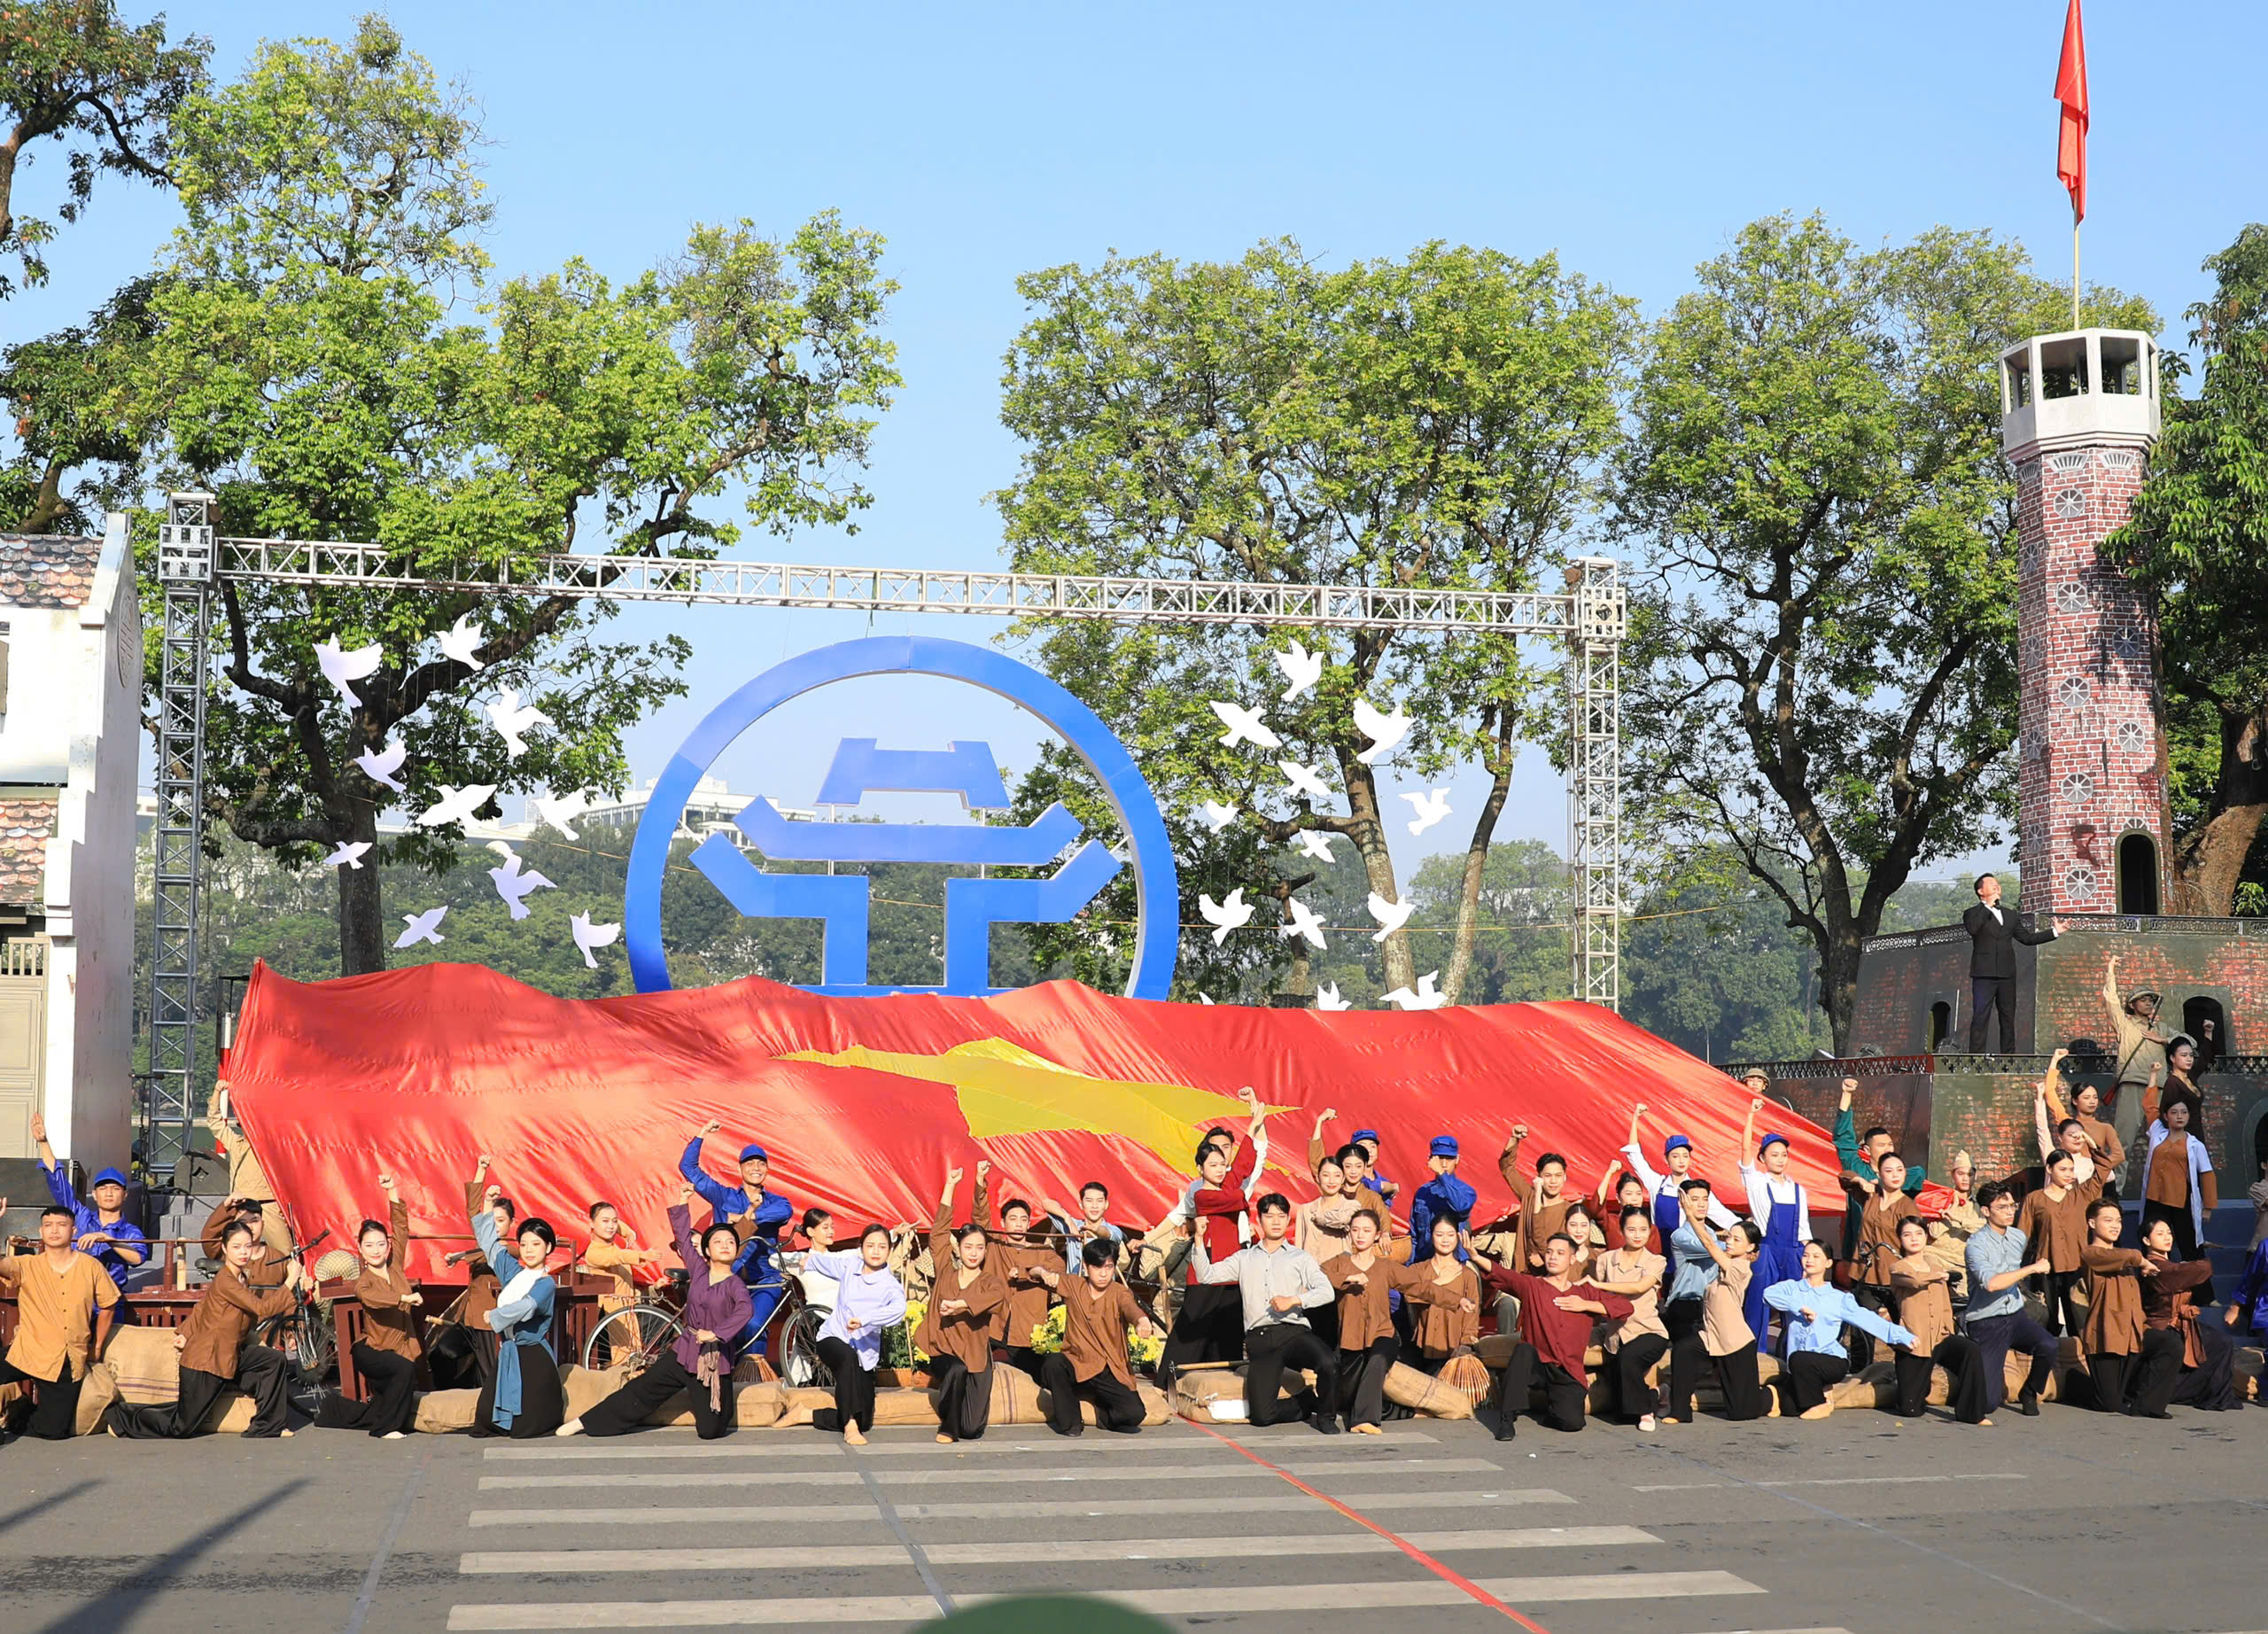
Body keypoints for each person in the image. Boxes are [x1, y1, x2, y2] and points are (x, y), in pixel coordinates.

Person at [563, 1185, 753, 1441]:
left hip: (712, 1361)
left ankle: (714, 1401)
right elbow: (684, 1238)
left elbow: (745, 1310)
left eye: (730, 1242)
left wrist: (717, 1334)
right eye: (717, 1242)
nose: (725, 1245)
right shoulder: (698, 1270)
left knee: (711, 1429)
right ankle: (586, 1421)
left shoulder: (735, 1284)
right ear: (706, 1251)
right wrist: (682, 1201)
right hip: (685, 1350)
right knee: (641, 1390)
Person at [106, 1217, 301, 1439]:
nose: (243, 1252)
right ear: (225, 1249)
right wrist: (290, 1280)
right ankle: (122, 1418)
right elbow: (263, 1308)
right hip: (207, 1361)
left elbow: (203, 1307)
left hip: (230, 1354)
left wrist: (185, 1332)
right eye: (236, 1247)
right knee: (182, 1425)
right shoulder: (226, 1280)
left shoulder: (241, 1277)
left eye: (248, 1246)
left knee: (272, 1360)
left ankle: (268, 1426)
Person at [1190, 1192, 1340, 1432]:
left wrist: (1294, 1299)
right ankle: (1306, 1402)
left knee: (1328, 1362)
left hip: (1293, 1332)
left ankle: (1326, 1417)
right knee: (1262, 1416)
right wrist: (1199, 1240)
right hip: (1260, 1339)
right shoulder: (1244, 1258)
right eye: (1269, 1216)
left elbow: (1326, 1292)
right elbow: (1205, 1275)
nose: (1276, 1221)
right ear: (1258, 1220)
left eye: (1281, 1216)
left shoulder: (1299, 1257)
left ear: (1287, 1220)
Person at [1152, 1087, 1268, 1378]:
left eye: (1221, 1164)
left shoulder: (1227, 1183)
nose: (1219, 1169)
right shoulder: (1202, 1194)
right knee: (1192, 1327)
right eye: (1212, 1165)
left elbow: (1244, 1165)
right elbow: (1237, 1200)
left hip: (1232, 1266)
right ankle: (1169, 1378)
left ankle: (1223, 1381)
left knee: (1228, 1327)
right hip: (1207, 1266)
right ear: (1200, 1168)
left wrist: (1253, 1125)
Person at [1474, 1234, 1632, 1440]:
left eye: (1560, 1253)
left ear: (1572, 1259)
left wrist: (1586, 1305)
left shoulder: (1585, 1292)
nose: (1552, 1257)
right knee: (1523, 1350)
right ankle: (1507, 1419)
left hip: (1567, 1370)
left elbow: (1625, 1307)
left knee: (1572, 1423)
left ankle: (1550, 1407)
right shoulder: (1533, 1286)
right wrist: (1475, 1257)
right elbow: (1502, 1274)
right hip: (1537, 1365)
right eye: (1549, 1252)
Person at [312, 1171, 424, 1438]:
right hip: (371, 1350)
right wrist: (403, 1298)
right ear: (360, 1249)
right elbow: (372, 1298)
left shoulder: (395, 1265)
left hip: (399, 1348)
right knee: (404, 1369)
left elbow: (401, 1228)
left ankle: (334, 1410)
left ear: (388, 1248)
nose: (376, 1250)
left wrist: (391, 1192)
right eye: (369, 1245)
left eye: (380, 1245)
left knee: (389, 1397)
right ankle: (385, 1429)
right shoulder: (364, 1281)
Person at [0, 1200, 119, 1440]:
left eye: (61, 1225)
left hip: (67, 1358)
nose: (54, 1230)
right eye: (48, 1225)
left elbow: (108, 1304)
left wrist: (96, 1345)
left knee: (52, 1431)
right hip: (28, 1351)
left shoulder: (91, 1266)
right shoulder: (27, 1265)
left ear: (73, 1230)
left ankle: (18, 1410)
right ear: (41, 1231)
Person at [1763, 1241, 1917, 1420]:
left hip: (1831, 1361)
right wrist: (1799, 1307)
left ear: (1828, 1263)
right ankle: (1817, 1393)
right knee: (1790, 1407)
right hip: (1801, 1366)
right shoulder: (1792, 1288)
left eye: (1816, 1256)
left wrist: (1901, 1335)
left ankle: (1820, 1403)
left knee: (1799, 1359)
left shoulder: (1838, 1298)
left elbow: (1867, 1319)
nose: (1809, 1260)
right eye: (1806, 1255)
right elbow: (1768, 1295)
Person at [679, 1120, 791, 1355]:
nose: (756, 1167)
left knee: (753, 1325)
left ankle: (756, 1383)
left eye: (761, 1163)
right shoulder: (723, 1196)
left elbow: (785, 1212)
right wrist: (702, 1134)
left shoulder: (777, 1201)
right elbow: (689, 1169)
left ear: (767, 1170)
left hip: (765, 1280)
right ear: (740, 1169)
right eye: (749, 1163)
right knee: (721, 1330)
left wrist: (746, 1217)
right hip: (728, 1278)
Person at [1319, 1210, 1432, 1435]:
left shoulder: (1386, 1267)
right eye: (1356, 1230)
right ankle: (1404, 1412)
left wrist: (1457, 1300)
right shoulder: (1339, 1263)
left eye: (1367, 1230)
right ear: (1349, 1233)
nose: (1360, 1235)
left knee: (1378, 1358)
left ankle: (1363, 1421)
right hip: (1351, 1341)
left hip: (1383, 1335)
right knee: (1348, 1396)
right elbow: (1317, 1273)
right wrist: (1348, 1278)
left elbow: (1422, 1286)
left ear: (1377, 1235)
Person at [919, 1165, 1007, 1443]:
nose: (973, 1253)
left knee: (972, 1429)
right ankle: (948, 1426)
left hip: (977, 1357)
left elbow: (996, 1297)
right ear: (960, 1247)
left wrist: (961, 1303)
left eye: (979, 1248)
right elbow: (938, 1233)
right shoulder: (946, 1269)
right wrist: (951, 1184)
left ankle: (958, 1422)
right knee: (954, 1369)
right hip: (943, 1349)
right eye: (968, 1246)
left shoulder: (991, 1280)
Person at [468, 1185, 564, 1439]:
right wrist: (488, 1202)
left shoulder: (546, 1283)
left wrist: (495, 1316)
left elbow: (527, 1307)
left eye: (536, 1243)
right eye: (524, 1244)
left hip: (533, 1358)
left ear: (549, 1248)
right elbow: (489, 1244)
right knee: (484, 1421)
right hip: (509, 1354)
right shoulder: (513, 1273)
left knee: (524, 1429)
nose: (529, 1249)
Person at [1034, 1237, 1154, 1436]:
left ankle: (1099, 1415)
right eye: (1097, 1267)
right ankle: (1071, 1423)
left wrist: (1142, 1321)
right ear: (1086, 1266)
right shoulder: (1073, 1285)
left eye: (1109, 1267)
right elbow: (1034, 1272)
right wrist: (1044, 1273)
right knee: (1053, 1363)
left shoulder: (1120, 1292)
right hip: (1076, 1361)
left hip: (1108, 1368)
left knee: (1134, 1415)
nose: (1103, 1273)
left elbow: (1131, 1309)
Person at [804, 1223, 907, 1443]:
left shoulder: (890, 1284)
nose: (876, 1251)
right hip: (832, 1338)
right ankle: (849, 1426)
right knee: (847, 1358)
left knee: (866, 1421)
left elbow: (898, 1310)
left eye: (882, 1246)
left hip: (864, 1354)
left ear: (889, 1250)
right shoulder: (851, 1266)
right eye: (870, 1246)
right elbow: (826, 1261)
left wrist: (865, 1320)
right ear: (861, 1248)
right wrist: (809, 1260)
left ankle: (806, 1414)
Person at [1664, 1207, 1768, 1424]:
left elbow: (1710, 1245)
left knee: (1742, 1413)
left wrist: (1691, 1216)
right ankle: (1679, 1412)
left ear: (1750, 1247)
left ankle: (1774, 1396)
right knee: (1683, 1351)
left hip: (1735, 1344)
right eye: (1729, 1236)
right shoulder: (1721, 1269)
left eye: (1737, 1240)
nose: (1729, 1242)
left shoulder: (1741, 1269)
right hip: (1711, 1337)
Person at [1961, 1182, 2058, 1418]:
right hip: (1986, 1322)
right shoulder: (1976, 1245)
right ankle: (1966, 1370)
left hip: (2015, 1316)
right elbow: (1991, 1284)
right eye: (2002, 1207)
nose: (2009, 1211)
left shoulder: (2018, 1237)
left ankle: (2030, 1391)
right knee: (1987, 1404)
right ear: (1986, 1211)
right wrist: (2032, 1269)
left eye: (2012, 1205)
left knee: (2049, 1345)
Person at [1886, 1214, 1990, 1424]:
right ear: (1900, 1239)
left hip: (1940, 1336)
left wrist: (1948, 1329)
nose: (1914, 1239)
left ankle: (1972, 1412)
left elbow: (1945, 1304)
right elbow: (1914, 1280)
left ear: (1926, 1237)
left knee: (1970, 1350)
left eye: (1919, 1233)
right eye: (1907, 1235)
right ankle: (1909, 1392)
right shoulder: (1898, 1268)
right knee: (1911, 1408)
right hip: (1914, 1341)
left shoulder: (1935, 1268)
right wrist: (1939, 1276)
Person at [30, 1112, 146, 1293]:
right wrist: (44, 1143)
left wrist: (108, 1239)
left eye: (115, 1189)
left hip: (110, 1302)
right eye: (102, 1188)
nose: (108, 1193)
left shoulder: (130, 1232)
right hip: (73, 1297)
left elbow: (137, 1258)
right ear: (94, 1194)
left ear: (125, 1195)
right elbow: (58, 1183)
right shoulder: (81, 1216)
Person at [2078, 1196, 2171, 1415]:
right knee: (2109, 1406)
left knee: (2169, 1344)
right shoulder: (2091, 1253)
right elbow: (2128, 1255)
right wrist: (2143, 1261)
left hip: (2133, 1331)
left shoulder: (2125, 1259)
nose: (2115, 1226)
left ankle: (2148, 1405)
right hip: (2106, 1335)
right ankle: (2074, 1381)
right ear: (2092, 1223)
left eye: (2118, 1221)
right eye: (2108, 1220)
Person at [2137, 1215, 2238, 1413]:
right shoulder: (2152, 1267)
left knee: (2221, 1343)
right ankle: (2181, 1392)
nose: (2167, 1237)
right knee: (2214, 1345)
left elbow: (2187, 1271)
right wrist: (2193, 1266)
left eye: (2168, 1233)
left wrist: (2186, 1267)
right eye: (2160, 1233)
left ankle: (2213, 1394)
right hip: (2163, 1326)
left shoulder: (2170, 1265)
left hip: (2181, 1323)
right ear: (2146, 1241)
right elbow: (2196, 1269)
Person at [1738, 1096, 1814, 1345]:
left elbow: (1804, 1229)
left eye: (1784, 1155)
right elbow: (1745, 1149)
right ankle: (1754, 1355)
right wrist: (1750, 1115)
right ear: (1763, 1158)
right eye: (1774, 1154)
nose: (1780, 1159)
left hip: (1793, 1251)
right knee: (1758, 1302)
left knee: (1795, 1306)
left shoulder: (1798, 1189)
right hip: (1767, 1250)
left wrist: (1806, 1258)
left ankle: (1793, 1354)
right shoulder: (1757, 1182)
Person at [1588, 1204, 1670, 1432]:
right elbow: (1602, 1300)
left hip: (1648, 1331)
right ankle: (1657, 1394)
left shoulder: (1656, 1261)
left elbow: (1638, 1287)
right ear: (1622, 1231)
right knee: (1622, 1414)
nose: (1638, 1235)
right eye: (1632, 1229)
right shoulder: (1606, 1260)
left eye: (1643, 1230)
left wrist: (1599, 1285)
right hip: (1616, 1335)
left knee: (1628, 1358)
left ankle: (1646, 1412)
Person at [976, 1165, 1060, 1384]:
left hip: (1029, 1334)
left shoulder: (1043, 1252)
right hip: (995, 1328)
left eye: (1024, 1220)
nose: (1019, 1224)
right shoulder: (994, 1247)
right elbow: (980, 1218)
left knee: (1042, 1384)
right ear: (1003, 1224)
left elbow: (1059, 1273)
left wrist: (1026, 1274)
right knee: (977, 1373)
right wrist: (979, 1181)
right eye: (1013, 1219)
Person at [1837, 1150, 1920, 1372]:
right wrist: (1860, 1180)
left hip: (1894, 1276)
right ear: (1879, 1174)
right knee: (1861, 1329)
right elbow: (1844, 1177)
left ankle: (1910, 1372)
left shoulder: (1907, 1206)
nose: (1895, 1175)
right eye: (1889, 1171)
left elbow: (1916, 1241)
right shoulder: (1870, 1196)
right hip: (1865, 1273)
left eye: (1900, 1170)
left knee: (1904, 1326)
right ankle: (1859, 1374)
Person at [2016, 1146, 2109, 1336]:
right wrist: (2014, 1270)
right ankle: (2049, 1364)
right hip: (2046, 1267)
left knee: (2079, 1321)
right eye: (2062, 1169)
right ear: (2049, 1169)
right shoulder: (2035, 1199)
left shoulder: (2082, 1194)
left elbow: (2104, 1167)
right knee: (2046, 1323)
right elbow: (2021, 1236)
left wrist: (2090, 1144)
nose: (2068, 1174)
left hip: (2076, 1267)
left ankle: (2079, 1363)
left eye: (2071, 1169)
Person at [1961, 872, 2057, 1052]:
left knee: (2007, 1018)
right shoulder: (1972, 913)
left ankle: (2008, 1058)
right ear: (1981, 891)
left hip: (2007, 974)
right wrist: (1988, 906)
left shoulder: (2010, 915)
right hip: (1984, 974)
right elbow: (1973, 929)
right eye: (1991, 883)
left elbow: (2027, 939)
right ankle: (1975, 1058)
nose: (1997, 886)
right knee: (1981, 1017)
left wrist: (2054, 931)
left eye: (1998, 883)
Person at [205, 1079, 292, 1260]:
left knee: (286, 1255)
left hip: (269, 1206)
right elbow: (215, 1122)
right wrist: (217, 1093)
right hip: (242, 1207)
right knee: (238, 1253)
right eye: (245, 1124)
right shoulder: (237, 1144)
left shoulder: (275, 1144)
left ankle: (294, 1286)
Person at [2102, 956, 2176, 1171]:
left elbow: (2188, 1042)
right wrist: (2110, 970)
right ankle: (2114, 1195)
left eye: (2150, 1000)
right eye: (2143, 1000)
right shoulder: (2124, 1024)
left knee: (2165, 1143)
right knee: (2122, 1143)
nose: (2148, 1003)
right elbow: (2111, 1000)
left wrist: (2163, 1040)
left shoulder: (2161, 1028)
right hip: (2133, 1083)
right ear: (2133, 1005)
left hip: (2159, 1086)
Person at [1619, 1106, 1736, 1240]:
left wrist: (1746, 1228)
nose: (1681, 1160)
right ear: (1666, 1160)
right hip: (1659, 1249)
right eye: (1675, 1156)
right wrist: (1635, 1120)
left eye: (1685, 1156)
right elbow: (1635, 1156)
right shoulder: (1657, 1184)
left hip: (1686, 1250)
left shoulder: (1697, 1190)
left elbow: (1722, 1215)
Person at [2142, 1094, 2218, 1271]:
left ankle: (2203, 1296)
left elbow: (2207, 1173)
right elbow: (2149, 1107)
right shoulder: (2157, 1134)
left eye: (2184, 1112)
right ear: (2166, 1116)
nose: (2179, 1116)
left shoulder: (2194, 1144)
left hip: (2181, 1202)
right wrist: (2153, 1076)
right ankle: (2150, 1292)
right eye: (2174, 1112)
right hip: (2154, 1200)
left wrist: (2208, 1207)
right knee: (2150, 1244)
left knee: (2190, 1247)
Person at [1405, 1214, 1483, 1373]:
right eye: (1439, 1235)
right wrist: (1439, 1282)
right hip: (1423, 1347)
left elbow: (1472, 1315)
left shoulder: (1468, 1274)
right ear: (1431, 1236)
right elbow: (1409, 1295)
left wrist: (1466, 1345)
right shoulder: (1417, 1270)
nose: (1445, 1240)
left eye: (1450, 1235)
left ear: (1458, 1236)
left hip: (1454, 1349)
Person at [1498, 1124, 1579, 1272]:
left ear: (1565, 1177)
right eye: (1548, 1176)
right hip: (1524, 1273)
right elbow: (1507, 1168)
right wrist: (1515, 1139)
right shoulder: (1529, 1197)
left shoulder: (1569, 1211)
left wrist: (1544, 1257)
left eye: (1558, 1176)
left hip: (1553, 1276)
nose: (1553, 1181)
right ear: (1539, 1177)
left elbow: (1570, 1246)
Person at [2045, 1064, 2124, 1199]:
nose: (2092, 1101)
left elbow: (2119, 1155)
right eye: (2086, 1098)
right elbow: (2050, 1094)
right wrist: (2055, 1060)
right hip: (2075, 1179)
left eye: (2094, 1097)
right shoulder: (2068, 1123)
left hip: (2100, 1180)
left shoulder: (2105, 1128)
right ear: (2075, 1101)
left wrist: (2097, 1168)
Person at [581, 1200, 664, 1325]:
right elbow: (618, 1256)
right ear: (592, 1224)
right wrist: (643, 1255)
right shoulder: (593, 1253)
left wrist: (629, 1233)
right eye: (605, 1221)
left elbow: (617, 1226)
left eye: (614, 1221)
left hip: (628, 1309)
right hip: (611, 1315)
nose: (611, 1226)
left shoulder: (613, 1246)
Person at [1923, 1148, 1983, 1303]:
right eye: (1960, 1174)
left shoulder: (1980, 1205)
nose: (1965, 1179)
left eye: (1970, 1174)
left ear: (1975, 1176)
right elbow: (1934, 1232)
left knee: (1964, 1302)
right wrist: (1951, 1207)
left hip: (1961, 1261)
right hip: (1935, 1256)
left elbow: (1983, 1228)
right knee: (1934, 1291)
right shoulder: (1940, 1199)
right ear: (1952, 1175)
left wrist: (1958, 1219)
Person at [1036, 1180, 1129, 1278]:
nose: (1094, 1206)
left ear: (1106, 1205)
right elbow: (1046, 1202)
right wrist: (1067, 1219)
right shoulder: (1073, 1225)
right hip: (1075, 1288)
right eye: (1089, 1201)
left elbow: (1106, 1233)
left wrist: (1095, 1231)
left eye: (1099, 1201)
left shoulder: (1114, 1230)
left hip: (1103, 1289)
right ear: (1081, 1204)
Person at [1408, 1136, 1477, 1263]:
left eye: (1449, 1158)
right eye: (1439, 1158)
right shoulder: (1423, 1192)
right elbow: (1414, 1234)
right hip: (1424, 1262)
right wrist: (1410, 1266)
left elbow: (1460, 1206)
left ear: (1457, 1160)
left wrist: (1441, 1174)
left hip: (1456, 1263)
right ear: (1430, 1159)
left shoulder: (1465, 1191)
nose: (1444, 1164)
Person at [1309, 1113, 1397, 1205]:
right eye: (1363, 1146)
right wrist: (1319, 1122)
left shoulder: (1384, 1181)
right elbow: (1317, 1162)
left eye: (1372, 1146)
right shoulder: (1342, 1180)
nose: (1369, 1151)